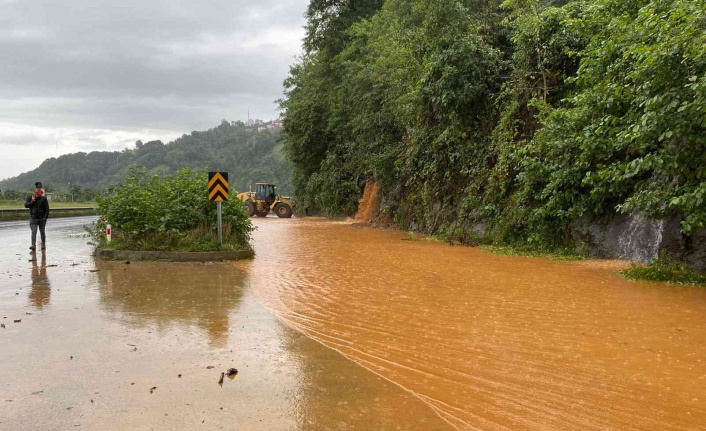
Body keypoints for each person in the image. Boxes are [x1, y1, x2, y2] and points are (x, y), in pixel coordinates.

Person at [25, 181, 49, 250]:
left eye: (38, 193)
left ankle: (43, 243)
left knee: (42, 231)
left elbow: (47, 209)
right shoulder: (29, 197)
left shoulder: (43, 198)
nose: (36, 195)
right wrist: (32, 201)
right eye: (35, 193)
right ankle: (33, 245)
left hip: (42, 218)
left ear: (40, 193)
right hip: (33, 218)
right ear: (33, 192)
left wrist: (45, 217)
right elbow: (26, 205)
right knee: (34, 231)